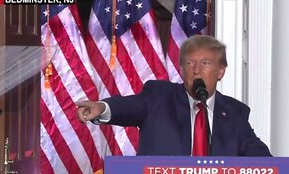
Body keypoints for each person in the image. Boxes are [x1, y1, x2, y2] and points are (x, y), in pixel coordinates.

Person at [76, 35, 272, 156]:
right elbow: (129, 106)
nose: (196, 70)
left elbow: (259, 157)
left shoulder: (234, 112)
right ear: (181, 69)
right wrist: (102, 108)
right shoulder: (159, 97)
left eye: (205, 63)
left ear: (221, 71)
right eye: (189, 63)